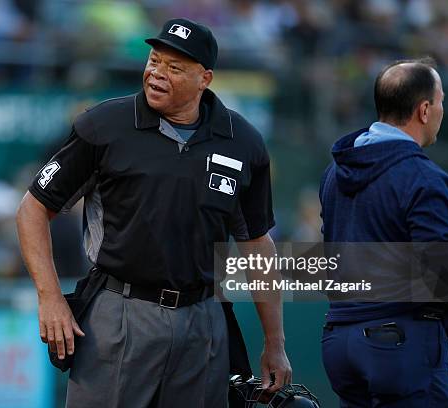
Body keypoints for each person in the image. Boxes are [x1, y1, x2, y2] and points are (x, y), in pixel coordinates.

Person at [16, 17, 291, 407]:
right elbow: (33, 208)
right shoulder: (105, 124)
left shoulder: (242, 141)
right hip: (120, 310)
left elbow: (258, 244)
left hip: (203, 319)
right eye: (154, 60)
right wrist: (49, 297)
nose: (157, 73)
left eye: (175, 68)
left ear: (205, 79)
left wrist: (274, 342)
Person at [319, 58, 448, 407]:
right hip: (401, 343)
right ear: (425, 110)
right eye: (441, 101)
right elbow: (446, 279)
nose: (442, 109)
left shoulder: (334, 172)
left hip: (340, 340)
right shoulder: (425, 179)